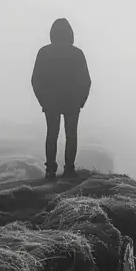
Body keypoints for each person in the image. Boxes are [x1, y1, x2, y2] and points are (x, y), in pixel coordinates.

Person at [31, 18, 92, 179]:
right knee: (71, 135)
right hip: (72, 101)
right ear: (70, 34)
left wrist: (43, 101)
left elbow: (35, 80)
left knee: (52, 134)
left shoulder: (44, 52)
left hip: (50, 102)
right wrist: (81, 102)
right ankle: (69, 169)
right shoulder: (76, 53)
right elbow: (86, 80)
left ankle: (50, 170)